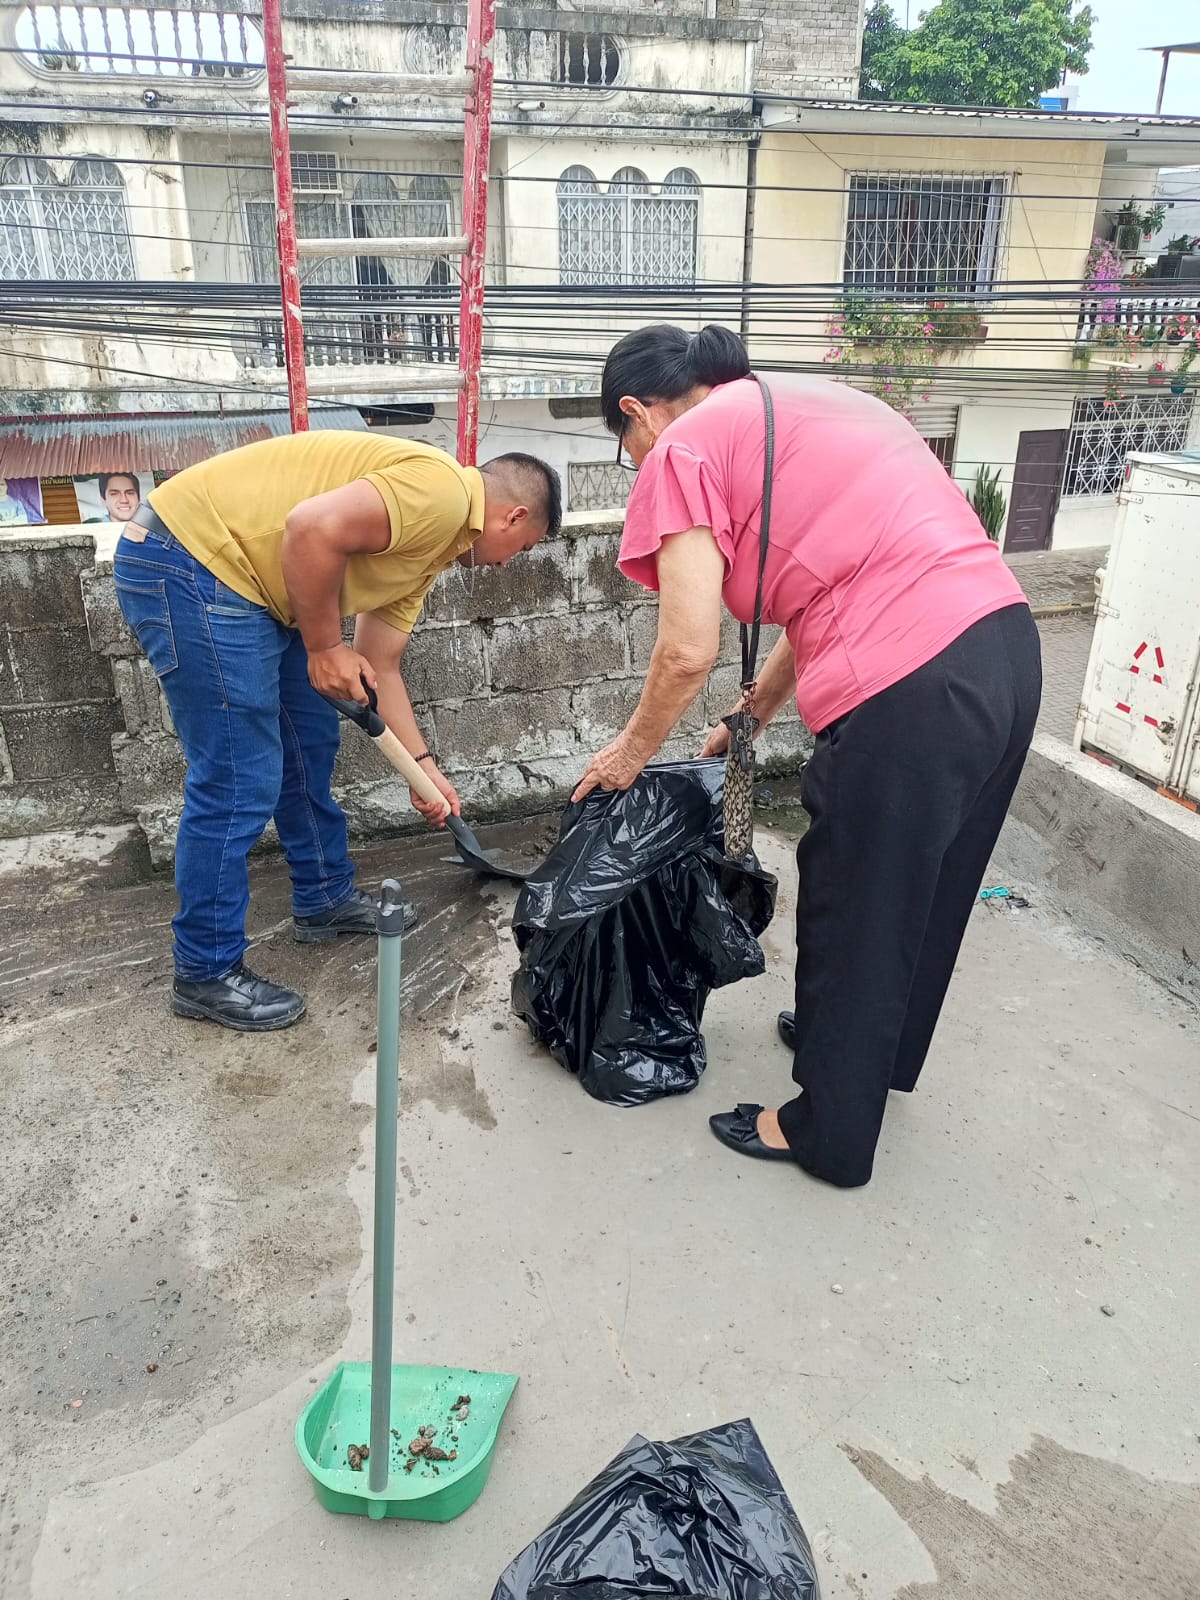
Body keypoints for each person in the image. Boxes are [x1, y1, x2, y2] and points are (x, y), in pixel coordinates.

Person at [573, 325, 1041, 1189]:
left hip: (911, 686)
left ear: (639, 411)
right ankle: (868, 1056)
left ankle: (827, 1130)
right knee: (924, 890)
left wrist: (630, 753)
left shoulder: (684, 446)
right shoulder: (808, 404)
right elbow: (830, 582)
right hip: (1005, 651)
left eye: (626, 443)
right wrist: (755, 712)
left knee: (855, 904)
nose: (639, 461)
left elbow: (687, 649)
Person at [114, 431, 561, 1034]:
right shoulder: (443, 492)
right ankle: (204, 969)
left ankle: (323, 897)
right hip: (193, 560)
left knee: (309, 743)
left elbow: (381, 666)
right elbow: (311, 527)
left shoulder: (429, 552)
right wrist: (325, 646)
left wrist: (423, 770)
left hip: (256, 589)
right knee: (239, 777)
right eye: (522, 548)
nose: (507, 564)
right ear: (514, 516)